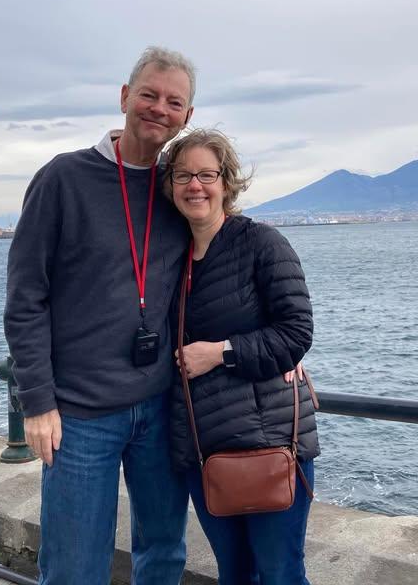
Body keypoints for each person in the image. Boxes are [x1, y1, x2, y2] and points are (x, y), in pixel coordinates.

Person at [4, 47, 196, 584]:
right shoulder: (63, 178)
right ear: (123, 97)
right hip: (79, 414)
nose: (159, 108)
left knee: (163, 553)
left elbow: (219, 271)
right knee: (73, 567)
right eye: (148, 94)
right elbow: (24, 299)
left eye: (174, 101)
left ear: (187, 117)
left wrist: (276, 351)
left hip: (160, 405)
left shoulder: (179, 188)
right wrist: (37, 403)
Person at [164, 129, 320, 585]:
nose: (196, 185)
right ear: (170, 186)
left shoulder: (261, 243)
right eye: (183, 175)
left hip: (267, 441)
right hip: (201, 446)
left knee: (280, 572)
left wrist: (222, 353)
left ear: (227, 182)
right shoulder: (170, 256)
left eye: (207, 174)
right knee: (233, 573)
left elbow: (296, 332)